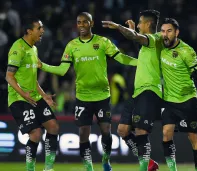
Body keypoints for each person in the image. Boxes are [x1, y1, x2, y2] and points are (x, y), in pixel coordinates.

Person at [38, 12, 137, 171]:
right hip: (83, 97)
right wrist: (43, 65)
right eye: (79, 22)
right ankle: (89, 167)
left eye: (85, 22)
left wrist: (140, 62)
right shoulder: (72, 45)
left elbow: (121, 58)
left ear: (91, 24)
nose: (82, 25)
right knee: (84, 132)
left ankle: (105, 161)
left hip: (102, 95)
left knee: (106, 131)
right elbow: (63, 70)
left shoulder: (103, 42)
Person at [102, 10, 162, 171]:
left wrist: (118, 27)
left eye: (141, 22)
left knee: (141, 130)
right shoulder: (146, 46)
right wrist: (134, 31)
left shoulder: (156, 39)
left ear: (148, 24)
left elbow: (135, 37)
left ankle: (144, 168)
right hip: (137, 93)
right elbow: (138, 39)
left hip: (150, 91)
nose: (139, 24)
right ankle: (149, 163)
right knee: (122, 130)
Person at [5, 17, 59, 171]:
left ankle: (48, 168)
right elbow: (9, 77)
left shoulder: (34, 49)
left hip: (33, 96)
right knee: (35, 134)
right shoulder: (18, 48)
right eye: (39, 28)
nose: (42, 31)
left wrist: (44, 95)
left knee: (53, 126)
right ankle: (30, 169)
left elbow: (33, 79)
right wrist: (24, 94)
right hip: (18, 98)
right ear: (29, 31)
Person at [159, 18, 197, 171]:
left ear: (177, 32)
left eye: (169, 31)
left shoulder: (187, 51)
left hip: (187, 100)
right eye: (163, 31)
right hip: (169, 100)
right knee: (166, 133)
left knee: (193, 137)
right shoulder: (160, 47)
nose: (165, 34)